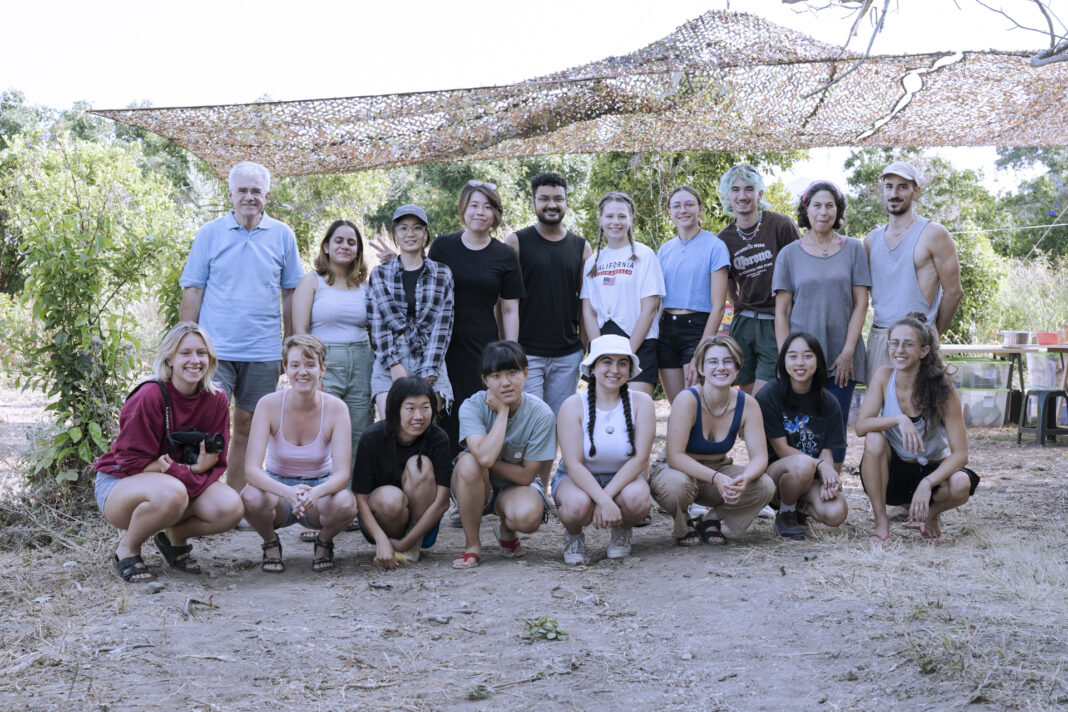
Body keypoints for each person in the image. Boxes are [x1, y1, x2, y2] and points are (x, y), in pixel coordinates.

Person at [179, 161, 303, 495]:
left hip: (263, 351)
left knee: (248, 425)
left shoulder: (282, 235)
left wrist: (289, 344)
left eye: (256, 191)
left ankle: (234, 499)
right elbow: (193, 291)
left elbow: (291, 293)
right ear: (231, 194)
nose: (249, 197)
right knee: (202, 425)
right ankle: (196, 495)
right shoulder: (209, 234)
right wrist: (183, 346)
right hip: (213, 352)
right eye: (243, 191)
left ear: (267, 195)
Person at [93, 322, 243, 582]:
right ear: (170, 358)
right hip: (121, 484)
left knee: (231, 507)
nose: (194, 360)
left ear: (211, 358)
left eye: (201, 353)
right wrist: (190, 470)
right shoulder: (149, 396)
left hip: (178, 484)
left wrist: (179, 470)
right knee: (172, 492)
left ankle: (174, 537)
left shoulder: (217, 398)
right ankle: (127, 548)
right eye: (185, 353)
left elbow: (216, 462)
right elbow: (129, 462)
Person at [856, 314, 979, 546]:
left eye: (908, 344)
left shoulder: (943, 390)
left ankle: (930, 516)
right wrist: (898, 419)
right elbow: (861, 426)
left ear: (923, 351)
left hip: (933, 470)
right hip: (896, 472)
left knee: (962, 484)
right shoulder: (884, 376)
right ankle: (881, 523)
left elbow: (961, 454)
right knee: (873, 439)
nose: (899, 350)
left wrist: (928, 482)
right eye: (894, 342)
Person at [772, 181, 870, 468]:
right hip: (801, 357)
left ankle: (830, 489)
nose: (823, 212)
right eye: (817, 205)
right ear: (806, 209)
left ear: (838, 211)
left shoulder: (853, 249)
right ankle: (799, 493)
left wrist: (848, 350)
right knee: (801, 426)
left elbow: (861, 303)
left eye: (830, 205)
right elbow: (782, 311)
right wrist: (785, 359)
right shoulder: (789, 254)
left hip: (842, 354)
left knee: (834, 424)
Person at [504, 172, 591, 495]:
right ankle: (519, 487)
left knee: (557, 425)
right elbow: (505, 303)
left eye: (557, 198)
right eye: (545, 199)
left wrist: (588, 351)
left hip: (568, 353)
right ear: (534, 202)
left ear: (566, 202)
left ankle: (543, 487)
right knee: (529, 425)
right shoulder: (516, 242)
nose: (551, 204)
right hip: (528, 354)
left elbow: (586, 306)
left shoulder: (581, 247)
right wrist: (510, 351)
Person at [241, 335, 357, 572]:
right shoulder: (268, 404)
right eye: (295, 365)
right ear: (285, 368)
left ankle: (324, 541)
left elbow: (342, 474)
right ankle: (270, 542)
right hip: (278, 488)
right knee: (250, 496)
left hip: (319, 490)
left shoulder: (336, 408)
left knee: (346, 503)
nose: (302, 372)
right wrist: (288, 492)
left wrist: (316, 492)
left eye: (310, 365)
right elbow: (251, 470)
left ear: (322, 368)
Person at [428, 181, 525, 453]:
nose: (480, 212)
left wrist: (511, 351)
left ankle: (475, 472)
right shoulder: (442, 246)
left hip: (482, 345)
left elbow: (509, 308)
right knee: (442, 407)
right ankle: (443, 478)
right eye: (474, 205)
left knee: (477, 405)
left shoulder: (504, 255)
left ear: (495, 214)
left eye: (487, 207)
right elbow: (424, 287)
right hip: (441, 344)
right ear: (463, 210)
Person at [649, 335, 774, 544]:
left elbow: (760, 457)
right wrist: (717, 478)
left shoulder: (748, 404)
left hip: (718, 469)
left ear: (737, 367)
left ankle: (712, 519)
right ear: (700, 368)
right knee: (677, 486)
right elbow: (675, 456)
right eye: (713, 362)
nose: (721, 368)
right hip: (676, 470)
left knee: (765, 485)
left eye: (728, 361)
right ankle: (684, 523)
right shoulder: (687, 399)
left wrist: (745, 478)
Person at [451, 341, 556, 569]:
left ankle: (507, 529)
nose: (506, 382)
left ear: (526, 374)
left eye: (512, 372)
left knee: (528, 517)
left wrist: (503, 409)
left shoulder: (541, 414)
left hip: (516, 487)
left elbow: (526, 475)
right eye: (496, 376)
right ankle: (472, 546)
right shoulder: (472, 406)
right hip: (478, 483)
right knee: (469, 465)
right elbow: (483, 461)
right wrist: (502, 414)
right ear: (485, 380)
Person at [553, 335, 655, 564]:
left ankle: (622, 530)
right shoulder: (573, 405)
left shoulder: (642, 402)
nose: (614, 369)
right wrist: (604, 501)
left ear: (630, 369)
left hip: (625, 477)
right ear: (593, 368)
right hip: (578, 478)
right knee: (576, 507)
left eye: (622, 363)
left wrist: (605, 499)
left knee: (638, 499)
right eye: (606, 361)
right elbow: (573, 464)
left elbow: (640, 460)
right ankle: (574, 534)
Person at [863, 160, 963, 379]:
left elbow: (954, 292)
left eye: (902, 187)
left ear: (915, 191)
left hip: (918, 338)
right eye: (889, 186)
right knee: (879, 410)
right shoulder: (870, 240)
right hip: (881, 337)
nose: (894, 193)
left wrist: (932, 334)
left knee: (921, 409)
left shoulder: (934, 234)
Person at [716, 165, 801, 395]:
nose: (742, 196)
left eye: (749, 189)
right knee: (746, 393)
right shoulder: (723, 239)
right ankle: (749, 432)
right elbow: (729, 284)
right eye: (735, 190)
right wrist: (738, 305)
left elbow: (799, 271)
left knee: (763, 397)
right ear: (727, 195)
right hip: (743, 323)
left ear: (760, 194)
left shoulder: (781, 225)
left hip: (775, 321)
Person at [756, 333, 849, 541]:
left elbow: (826, 450)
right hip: (775, 477)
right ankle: (786, 513)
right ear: (783, 361)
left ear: (818, 362)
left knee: (836, 513)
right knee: (802, 463)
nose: (800, 363)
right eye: (793, 356)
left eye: (808, 356)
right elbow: (781, 449)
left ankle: (800, 508)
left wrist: (829, 479)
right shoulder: (769, 395)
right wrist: (820, 466)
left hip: (809, 477)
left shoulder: (829, 402)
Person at [352, 377, 452, 568]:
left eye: (425, 407)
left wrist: (407, 541)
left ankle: (410, 545)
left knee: (418, 464)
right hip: (381, 520)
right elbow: (360, 499)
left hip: (423, 526)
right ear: (395, 410)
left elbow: (442, 502)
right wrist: (380, 539)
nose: (419, 416)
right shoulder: (371, 438)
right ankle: (389, 545)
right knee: (390, 497)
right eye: (410, 408)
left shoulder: (438, 438)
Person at [293, 219, 372, 459]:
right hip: (326, 361)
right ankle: (322, 492)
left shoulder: (364, 286)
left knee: (359, 431)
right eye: (338, 241)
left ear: (357, 250)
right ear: (326, 246)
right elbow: (300, 331)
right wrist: (310, 371)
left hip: (361, 362)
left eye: (351, 242)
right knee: (323, 428)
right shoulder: (312, 281)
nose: (345, 246)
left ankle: (351, 494)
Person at [367, 204, 454, 419]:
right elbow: (377, 325)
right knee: (392, 426)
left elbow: (443, 325)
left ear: (425, 233)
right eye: (403, 228)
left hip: (430, 355)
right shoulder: (379, 274)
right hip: (390, 357)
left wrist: (428, 372)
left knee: (425, 426)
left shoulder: (442, 273)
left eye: (417, 228)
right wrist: (394, 365)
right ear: (395, 234)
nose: (410, 234)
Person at [580, 191, 665, 397]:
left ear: (630, 219)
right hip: (604, 343)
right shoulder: (593, 261)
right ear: (600, 219)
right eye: (609, 216)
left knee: (636, 411)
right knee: (604, 415)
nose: (615, 222)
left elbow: (650, 308)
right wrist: (600, 351)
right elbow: (588, 310)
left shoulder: (644, 255)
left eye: (621, 216)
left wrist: (628, 354)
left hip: (639, 342)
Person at [657, 185, 730, 403]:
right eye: (677, 206)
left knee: (697, 402)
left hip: (697, 328)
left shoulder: (715, 246)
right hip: (666, 330)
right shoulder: (665, 250)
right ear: (669, 211)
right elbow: (660, 299)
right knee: (677, 404)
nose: (683, 210)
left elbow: (719, 305)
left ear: (700, 209)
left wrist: (702, 349)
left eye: (689, 204)